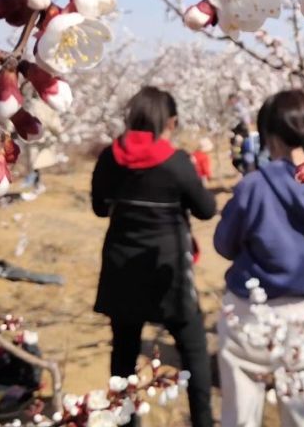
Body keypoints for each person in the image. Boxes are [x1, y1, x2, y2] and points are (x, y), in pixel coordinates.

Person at [213, 89, 304, 427]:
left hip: (250, 315)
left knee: (240, 418)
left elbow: (224, 244)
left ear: (271, 134)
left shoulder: (255, 186)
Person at [91, 86, 216, 427]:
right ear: (171, 122)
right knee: (193, 350)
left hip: (121, 268)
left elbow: (99, 208)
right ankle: (203, 421)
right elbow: (206, 210)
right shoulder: (177, 162)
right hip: (168, 270)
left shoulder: (108, 157)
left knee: (124, 353)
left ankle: (126, 421)